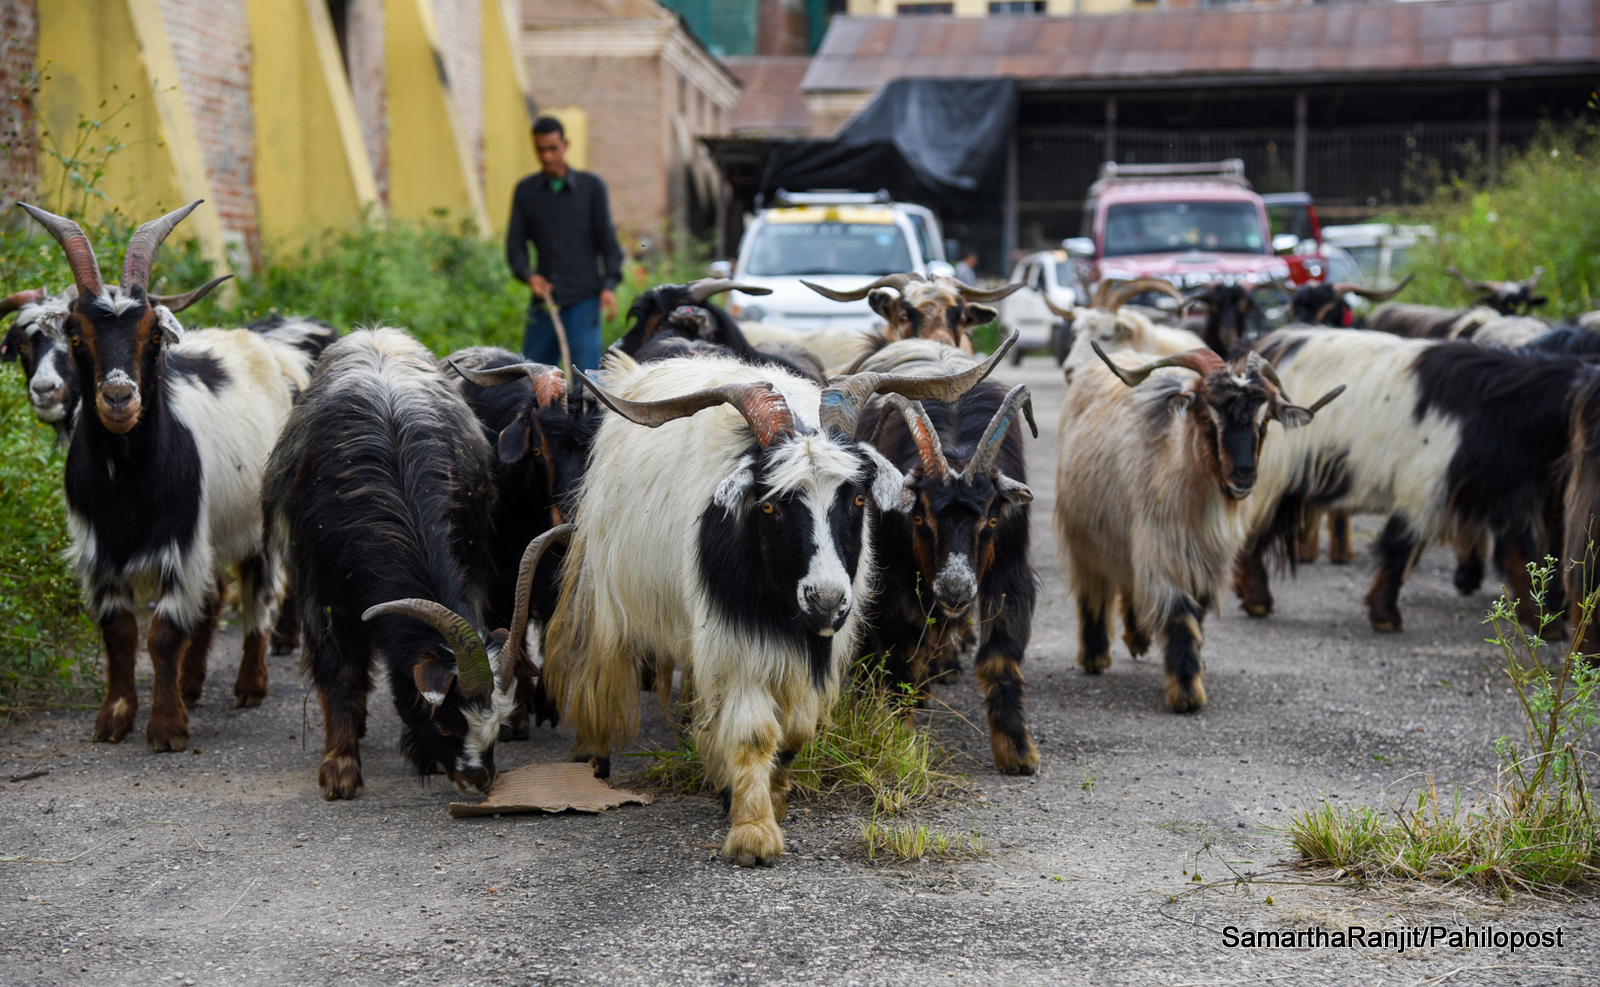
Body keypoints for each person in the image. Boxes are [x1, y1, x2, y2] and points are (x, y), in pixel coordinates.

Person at [504, 116, 623, 371]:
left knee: (586, 378)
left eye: (553, 149)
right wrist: (529, 276)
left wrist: (609, 286)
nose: (547, 156)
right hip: (545, 301)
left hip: (585, 300)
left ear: (565, 145)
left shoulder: (591, 188)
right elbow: (515, 243)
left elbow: (608, 241)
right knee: (531, 375)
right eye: (540, 150)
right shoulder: (525, 191)